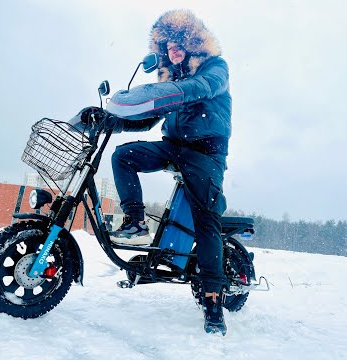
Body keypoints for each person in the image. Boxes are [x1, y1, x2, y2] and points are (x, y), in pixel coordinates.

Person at [104, 9, 232, 336]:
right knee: (124, 156)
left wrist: (157, 92)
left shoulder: (214, 69)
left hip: (206, 152)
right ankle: (135, 222)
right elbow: (148, 117)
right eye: (169, 49)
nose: (174, 53)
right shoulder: (173, 81)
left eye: (179, 47)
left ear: (191, 45)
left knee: (206, 220)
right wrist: (111, 119)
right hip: (174, 145)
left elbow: (199, 88)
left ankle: (213, 301)